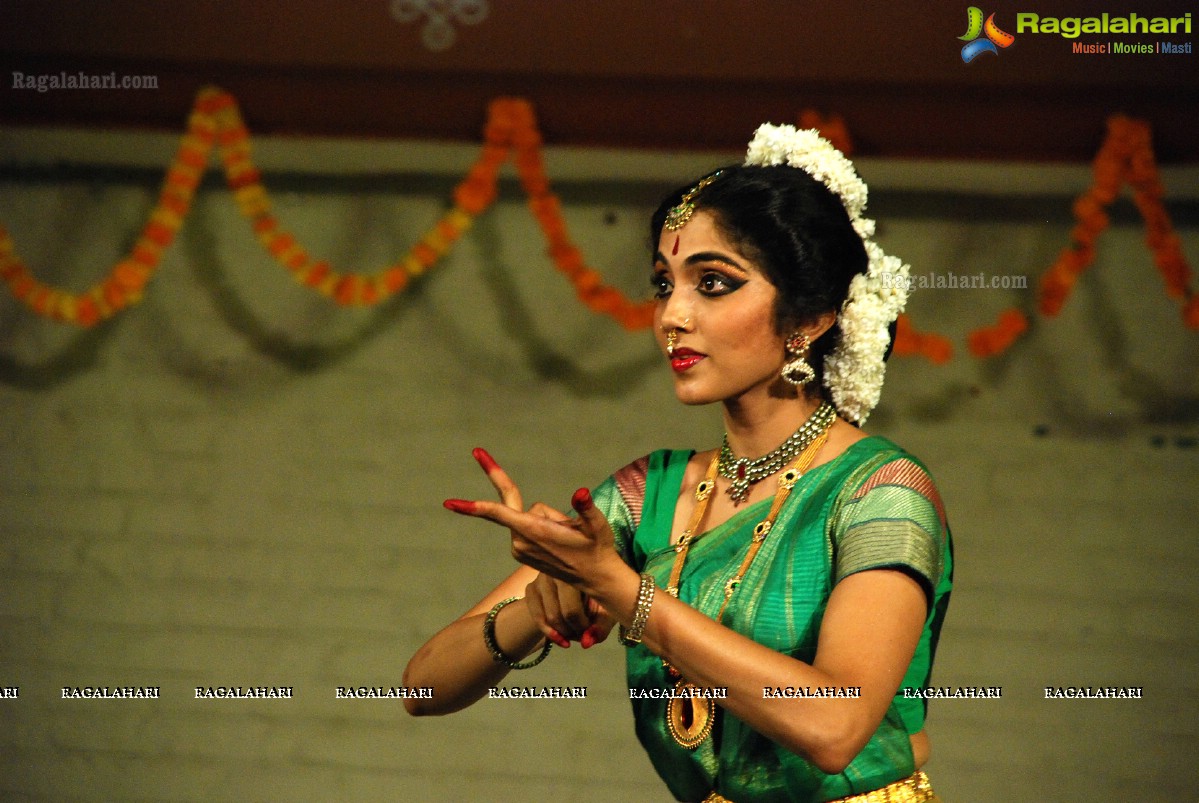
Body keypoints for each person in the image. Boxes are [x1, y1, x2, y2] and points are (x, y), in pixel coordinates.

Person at [403, 124, 953, 803]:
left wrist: (625, 593)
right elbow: (423, 688)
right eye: (664, 284)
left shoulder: (879, 489)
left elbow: (833, 723)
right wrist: (544, 602)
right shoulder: (649, 493)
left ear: (806, 321)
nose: (671, 315)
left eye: (713, 283)